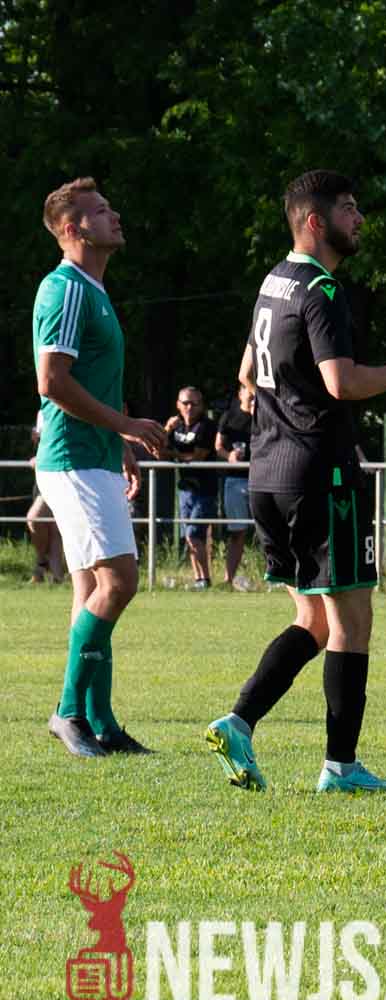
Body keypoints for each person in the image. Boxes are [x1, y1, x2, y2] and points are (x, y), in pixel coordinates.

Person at [205, 169, 386, 794]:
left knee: (314, 619)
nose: (360, 219)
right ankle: (341, 767)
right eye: (349, 209)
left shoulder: (273, 281)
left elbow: (247, 370)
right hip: (320, 475)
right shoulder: (321, 288)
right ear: (315, 221)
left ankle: (238, 722)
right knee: (352, 617)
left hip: (268, 474)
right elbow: (341, 381)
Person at [33, 176, 166, 757]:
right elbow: (51, 382)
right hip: (73, 459)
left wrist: (121, 447)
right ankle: (68, 712)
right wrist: (125, 426)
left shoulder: (94, 288)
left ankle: (100, 721)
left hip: (95, 457)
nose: (114, 216)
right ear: (73, 229)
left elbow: (91, 381)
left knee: (91, 587)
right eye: (100, 211)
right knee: (119, 583)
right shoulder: (65, 289)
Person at [164, 385, 218, 589]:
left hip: (205, 488)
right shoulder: (176, 426)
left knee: (193, 534)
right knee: (190, 536)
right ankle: (199, 579)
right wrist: (167, 430)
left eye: (195, 403)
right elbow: (157, 450)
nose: (190, 407)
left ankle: (205, 578)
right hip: (185, 488)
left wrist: (172, 455)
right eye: (186, 403)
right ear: (178, 404)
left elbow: (197, 456)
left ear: (201, 406)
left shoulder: (207, 426)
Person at [215, 383, 257, 590]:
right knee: (237, 531)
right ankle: (228, 579)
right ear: (240, 393)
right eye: (248, 390)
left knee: (270, 532)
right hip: (235, 481)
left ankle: (277, 577)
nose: (252, 395)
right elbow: (218, 447)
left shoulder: (264, 416)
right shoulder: (229, 417)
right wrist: (229, 455)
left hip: (261, 479)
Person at [27, 409, 67, 584]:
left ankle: (44, 565)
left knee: (37, 518)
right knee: (50, 523)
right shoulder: (43, 412)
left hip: (60, 471)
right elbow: (47, 441)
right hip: (47, 471)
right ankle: (54, 574)